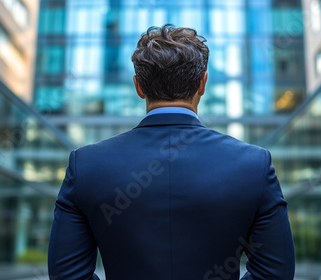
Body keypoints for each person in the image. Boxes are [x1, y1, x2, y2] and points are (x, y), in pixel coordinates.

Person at [48, 24, 295, 280]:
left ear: (139, 86)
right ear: (203, 83)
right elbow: (275, 274)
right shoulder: (254, 164)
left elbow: (68, 277)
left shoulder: (86, 165)